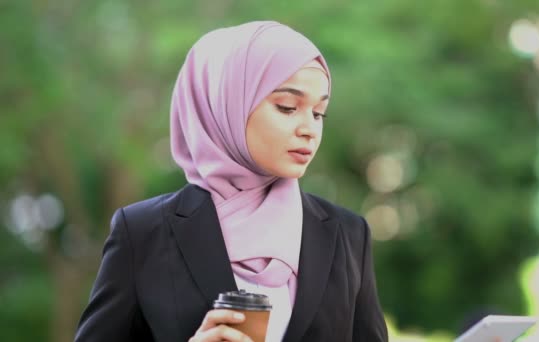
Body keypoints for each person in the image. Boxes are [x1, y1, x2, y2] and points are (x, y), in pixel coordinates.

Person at [74, 20, 388, 342]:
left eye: (319, 112)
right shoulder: (142, 233)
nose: (309, 128)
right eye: (287, 107)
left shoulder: (347, 235)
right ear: (227, 104)